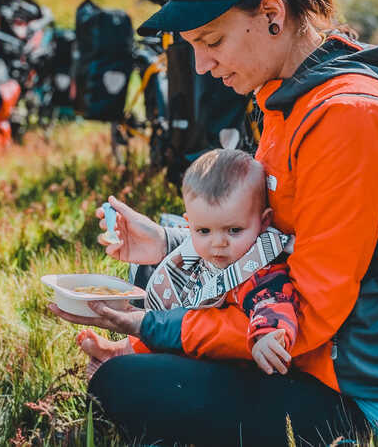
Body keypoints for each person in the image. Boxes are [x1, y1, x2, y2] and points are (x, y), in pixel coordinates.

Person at [49, 0, 378, 446]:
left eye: (211, 40)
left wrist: (149, 332)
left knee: (124, 383)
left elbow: (305, 314)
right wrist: (168, 241)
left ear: (272, 13)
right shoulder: (284, 98)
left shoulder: (350, 118)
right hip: (303, 353)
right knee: (154, 276)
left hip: (366, 398)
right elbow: (276, 237)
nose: (199, 66)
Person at [76, 149, 298, 379]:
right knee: (166, 302)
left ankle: (125, 356)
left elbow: (274, 300)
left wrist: (268, 334)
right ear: (189, 224)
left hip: (228, 364)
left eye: (234, 230)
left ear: (263, 222)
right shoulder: (205, 251)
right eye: (204, 231)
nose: (218, 243)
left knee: (150, 365)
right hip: (193, 335)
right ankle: (122, 349)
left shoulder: (258, 267)